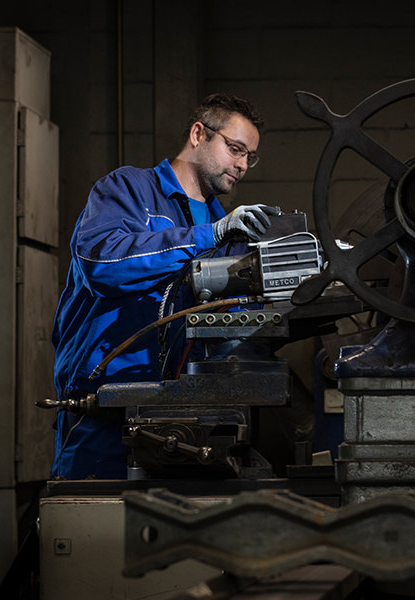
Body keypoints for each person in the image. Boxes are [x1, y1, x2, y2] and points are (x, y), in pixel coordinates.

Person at [50, 93, 279, 479]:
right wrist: (209, 234)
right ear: (198, 134)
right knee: (91, 517)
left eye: (249, 157)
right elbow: (102, 262)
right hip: (105, 402)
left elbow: (233, 318)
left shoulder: (228, 228)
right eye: (235, 149)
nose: (241, 165)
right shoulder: (128, 190)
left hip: (184, 412)